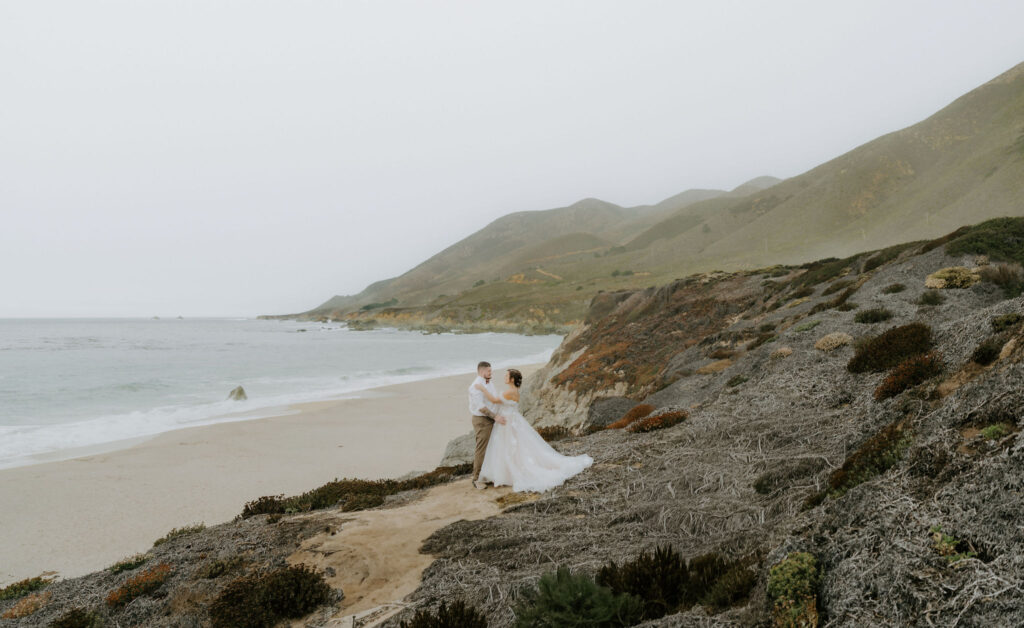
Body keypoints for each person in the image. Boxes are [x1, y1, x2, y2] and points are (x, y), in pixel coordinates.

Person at [476, 368, 593, 492]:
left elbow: (494, 400)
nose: (504, 378)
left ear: (512, 379)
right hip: (511, 420)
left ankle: (507, 473)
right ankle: (506, 473)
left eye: (506, 376)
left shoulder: (509, 392)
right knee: (512, 448)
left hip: (508, 421)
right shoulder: (513, 391)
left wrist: (483, 389)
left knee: (509, 447)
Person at [468, 361, 503, 490]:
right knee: (481, 449)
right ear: (482, 372)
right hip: (482, 420)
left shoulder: (489, 383)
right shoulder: (475, 386)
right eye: (489, 371)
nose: (491, 373)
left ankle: (486, 476)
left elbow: (493, 399)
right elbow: (481, 408)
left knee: (491, 448)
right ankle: (476, 479)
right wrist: (496, 417)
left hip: (491, 419)